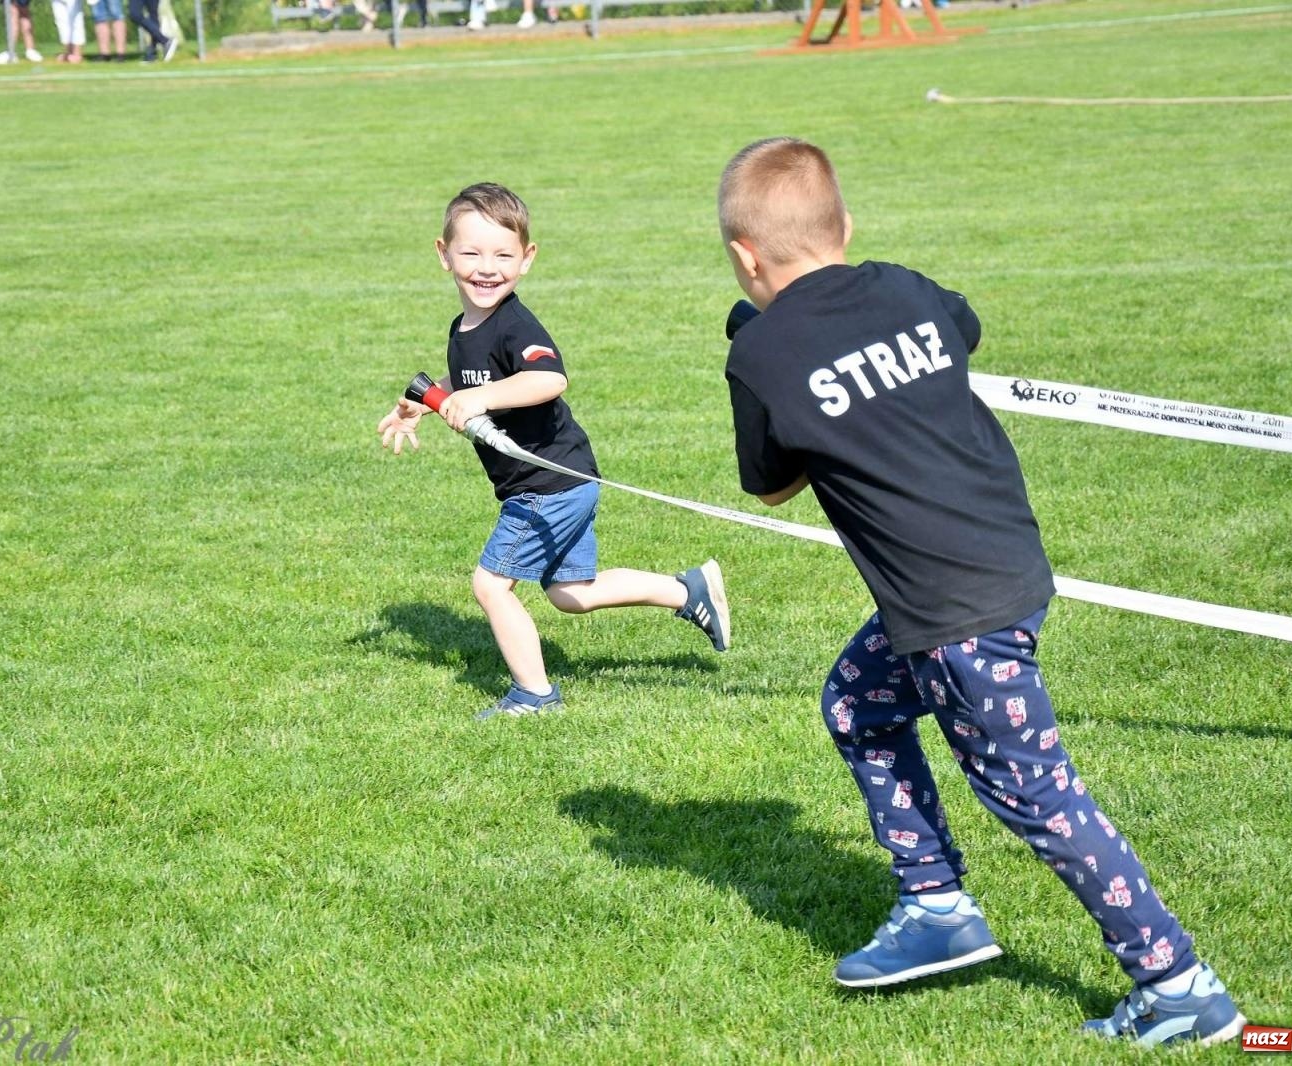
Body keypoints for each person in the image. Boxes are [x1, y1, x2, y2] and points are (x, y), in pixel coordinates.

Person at [715, 138, 1246, 1049]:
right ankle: (935, 905)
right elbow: (962, 332)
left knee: (1038, 793)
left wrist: (767, 346)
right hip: (1002, 567)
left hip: (953, 616)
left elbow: (770, 485)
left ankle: (1179, 984)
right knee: (856, 703)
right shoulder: (905, 288)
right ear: (845, 227)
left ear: (744, 256)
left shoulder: (762, 353)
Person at [377, 182, 732, 720]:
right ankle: (688, 592)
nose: (486, 268)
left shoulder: (515, 325)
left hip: (547, 484)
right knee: (571, 593)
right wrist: (422, 404)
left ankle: (535, 695)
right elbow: (470, 379)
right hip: (563, 480)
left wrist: (480, 399)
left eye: (503, 256)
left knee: (491, 586)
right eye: (471, 253)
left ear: (526, 259)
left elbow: (548, 378)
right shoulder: (466, 328)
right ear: (444, 255)